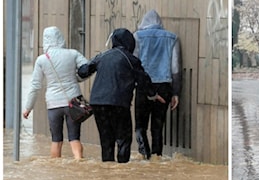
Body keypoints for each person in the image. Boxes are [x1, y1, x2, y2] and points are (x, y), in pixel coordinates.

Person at [78, 28, 161, 163]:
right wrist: (153, 95)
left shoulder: (102, 56)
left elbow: (83, 71)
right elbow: (143, 80)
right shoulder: (131, 60)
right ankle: (121, 169)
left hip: (98, 104)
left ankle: (108, 170)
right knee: (123, 139)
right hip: (118, 104)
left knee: (106, 140)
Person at [23, 26, 88, 160]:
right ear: (61, 38)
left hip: (53, 104)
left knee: (56, 140)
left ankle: (55, 167)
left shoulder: (42, 59)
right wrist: (76, 79)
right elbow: (87, 69)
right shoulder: (73, 54)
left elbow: (35, 85)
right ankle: (79, 163)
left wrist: (28, 107)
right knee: (74, 138)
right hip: (73, 102)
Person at [133, 9, 182, 160]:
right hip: (164, 86)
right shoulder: (172, 38)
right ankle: (157, 157)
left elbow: (134, 63)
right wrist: (175, 93)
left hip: (143, 86)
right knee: (157, 126)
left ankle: (144, 155)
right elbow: (175, 68)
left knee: (140, 125)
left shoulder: (137, 36)